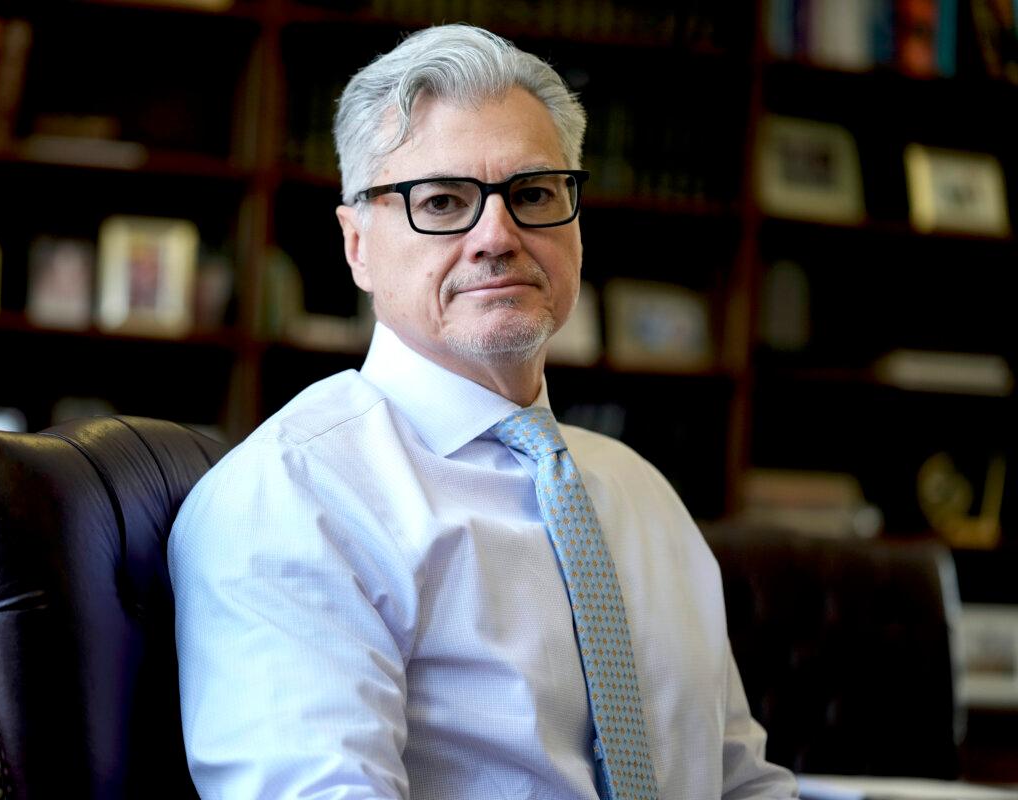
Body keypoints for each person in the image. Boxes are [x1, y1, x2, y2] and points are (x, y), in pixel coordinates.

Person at [169, 23, 798, 799]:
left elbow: (742, 782)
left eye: (533, 194)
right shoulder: (295, 500)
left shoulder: (643, 495)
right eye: (441, 201)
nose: (496, 236)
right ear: (356, 244)